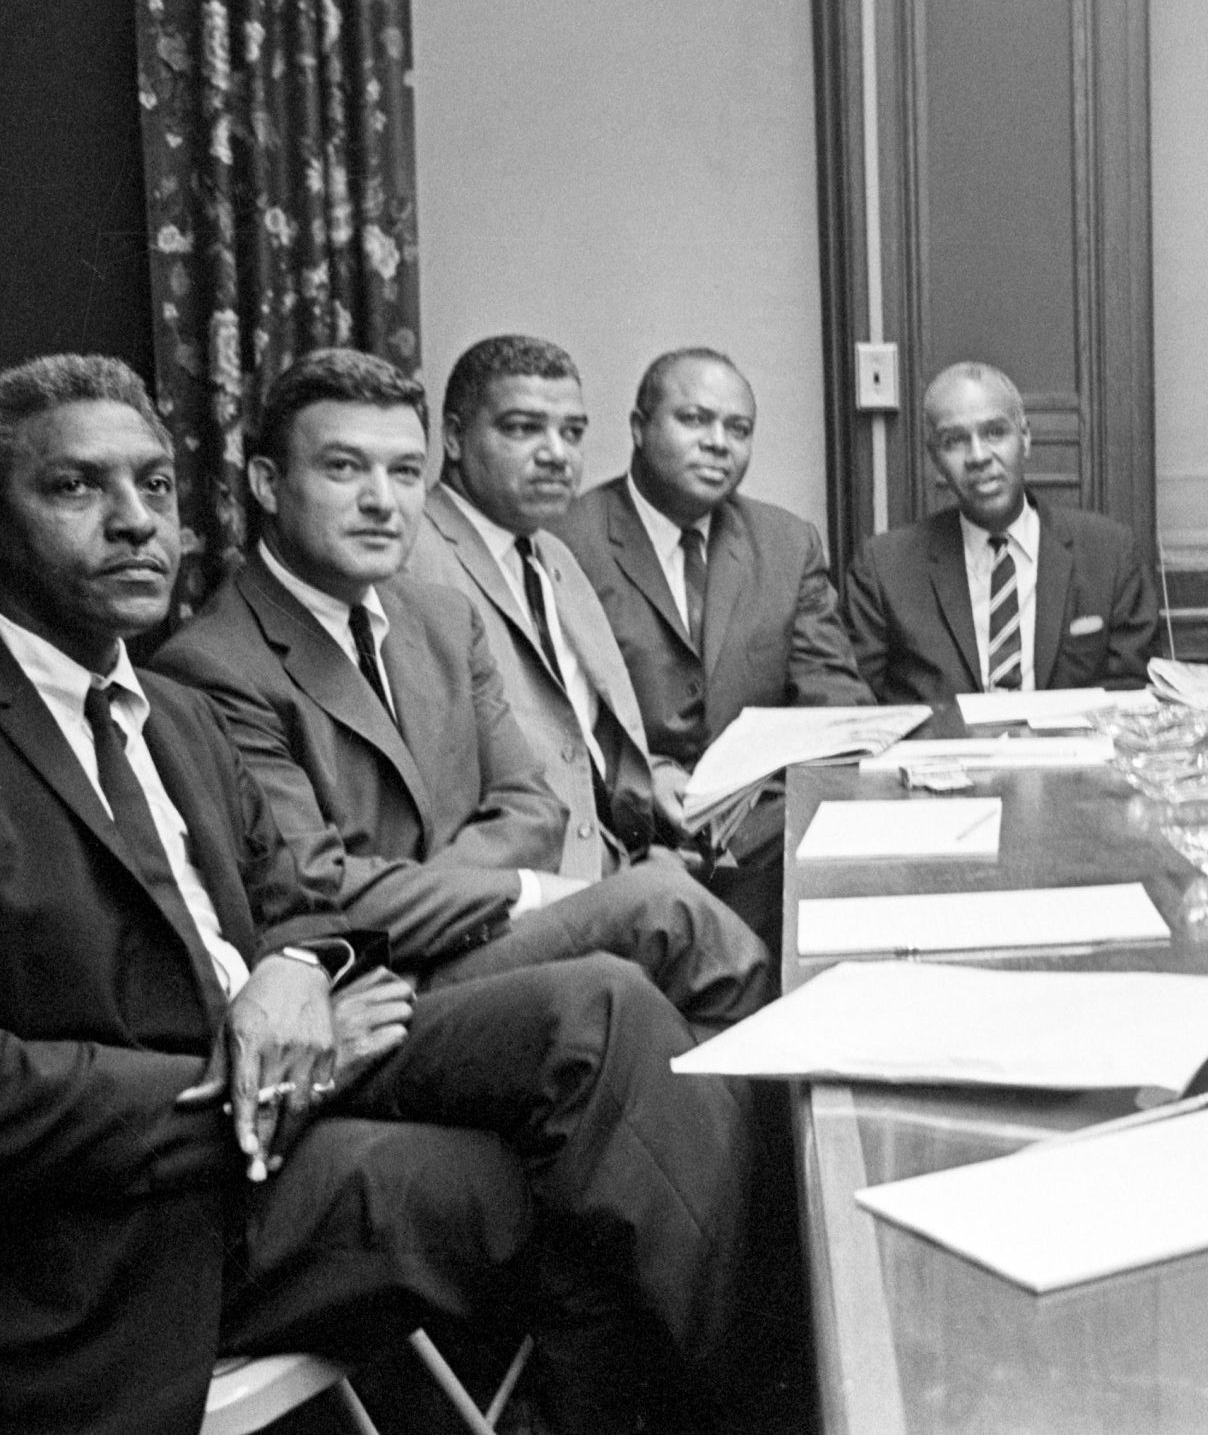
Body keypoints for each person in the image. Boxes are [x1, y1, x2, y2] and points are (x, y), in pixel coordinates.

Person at [0, 354, 773, 1435]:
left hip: (307, 1085)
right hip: (127, 1215)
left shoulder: (161, 714)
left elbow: (297, 904)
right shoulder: (203, 673)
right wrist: (271, 1082)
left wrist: (293, 969)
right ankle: (768, 1383)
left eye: (157, 486)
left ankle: (741, 1378)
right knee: (594, 1134)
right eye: (76, 488)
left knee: (608, 1101)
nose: (135, 523)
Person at [155, 350, 770, 1025]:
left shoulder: (441, 617)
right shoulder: (211, 665)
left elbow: (532, 804)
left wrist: (443, 896)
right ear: (268, 485)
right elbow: (316, 890)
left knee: (674, 947)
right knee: (666, 910)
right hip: (374, 985)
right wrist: (523, 890)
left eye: (405, 473)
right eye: (343, 468)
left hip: (469, 937)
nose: (381, 501)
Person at [556, 347, 873, 949]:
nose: (718, 442)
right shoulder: (566, 539)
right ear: (639, 428)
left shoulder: (785, 542)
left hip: (765, 837)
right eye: (694, 420)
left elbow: (833, 703)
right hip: (624, 840)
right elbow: (553, 726)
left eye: (738, 429)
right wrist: (644, 787)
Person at [406, 334, 671, 882]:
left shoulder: (553, 555)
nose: (557, 454)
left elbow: (582, 737)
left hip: (619, 855)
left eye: (572, 432)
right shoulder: (410, 557)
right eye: (523, 428)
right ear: (454, 438)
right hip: (519, 885)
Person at [844, 361, 1164, 703]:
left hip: (1070, 753)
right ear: (935, 457)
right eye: (954, 441)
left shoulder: (1109, 554)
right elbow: (861, 708)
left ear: (1025, 438)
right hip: (944, 752)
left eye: (995, 432)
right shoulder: (884, 570)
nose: (978, 456)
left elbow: (1132, 696)